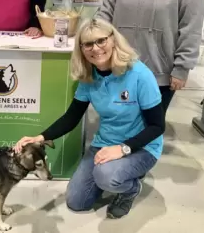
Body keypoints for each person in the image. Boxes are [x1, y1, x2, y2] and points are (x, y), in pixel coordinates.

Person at [15, 18, 165, 219]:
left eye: (101, 41)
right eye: (87, 44)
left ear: (113, 40)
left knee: (106, 176)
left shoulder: (139, 74)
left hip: (141, 147)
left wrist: (122, 149)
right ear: (81, 49)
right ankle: (115, 173)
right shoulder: (89, 76)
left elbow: (157, 126)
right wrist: (39, 138)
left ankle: (129, 188)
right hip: (104, 144)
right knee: (77, 202)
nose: (95, 48)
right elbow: (72, 117)